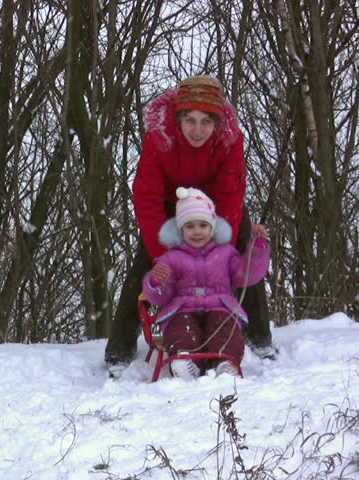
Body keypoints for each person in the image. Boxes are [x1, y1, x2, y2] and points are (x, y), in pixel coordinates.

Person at [106, 74, 277, 373]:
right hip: (171, 205)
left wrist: (219, 251)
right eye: (190, 121)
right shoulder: (159, 139)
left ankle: (258, 336)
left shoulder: (230, 141)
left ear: (217, 123)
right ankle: (119, 350)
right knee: (144, 265)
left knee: (242, 256)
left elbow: (231, 192)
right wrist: (162, 252)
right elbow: (146, 196)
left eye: (206, 122)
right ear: (178, 119)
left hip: (217, 205)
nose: (198, 130)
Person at [141, 187, 270, 379]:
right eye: (190, 226)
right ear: (180, 230)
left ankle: (224, 361)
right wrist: (155, 281)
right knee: (180, 329)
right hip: (183, 308)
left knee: (226, 326)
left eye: (203, 225)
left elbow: (247, 274)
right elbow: (161, 298)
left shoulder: (225, 253)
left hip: (220, 306)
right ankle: (185, 360)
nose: (197, 231)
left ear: (212, 227)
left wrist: (257, 246)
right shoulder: (172, 257)